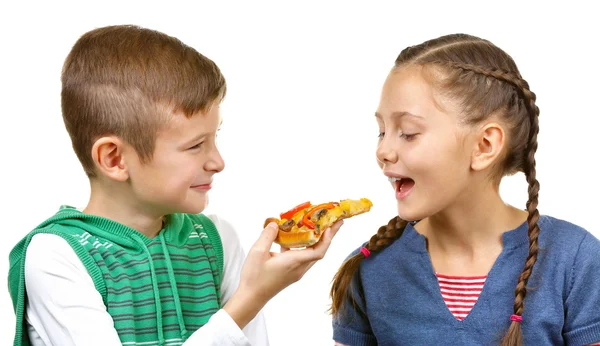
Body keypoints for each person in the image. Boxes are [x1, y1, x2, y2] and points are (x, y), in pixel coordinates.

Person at [7, 24, 343, 346]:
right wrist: (250, 299)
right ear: (114, 159)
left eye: (215, 138)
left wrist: (252, 297)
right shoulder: (57, 257)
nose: (218, 162)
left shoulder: (215, 240)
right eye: (196, 145)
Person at [329, 34, 600, 345]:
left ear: (484, 146)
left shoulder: (576, 260)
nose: (383, 151)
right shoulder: (369, 269)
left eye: (408, 133)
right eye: (382, 132)